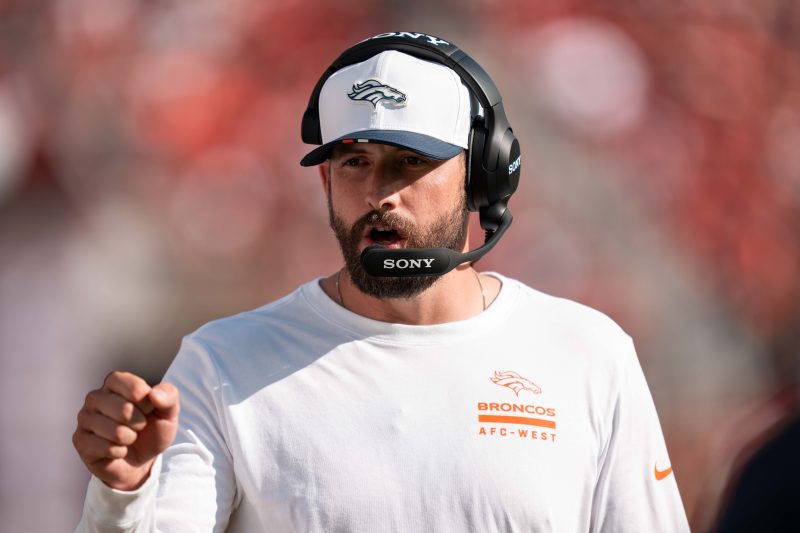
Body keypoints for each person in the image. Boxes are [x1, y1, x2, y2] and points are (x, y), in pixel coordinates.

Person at [73, 32, 690, 532]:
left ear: (482, 177)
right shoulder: (222, 364)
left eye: (410, 161)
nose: (379, 194)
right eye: (355, 163)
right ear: (325, 182)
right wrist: (123, 494)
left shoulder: (587, 354)